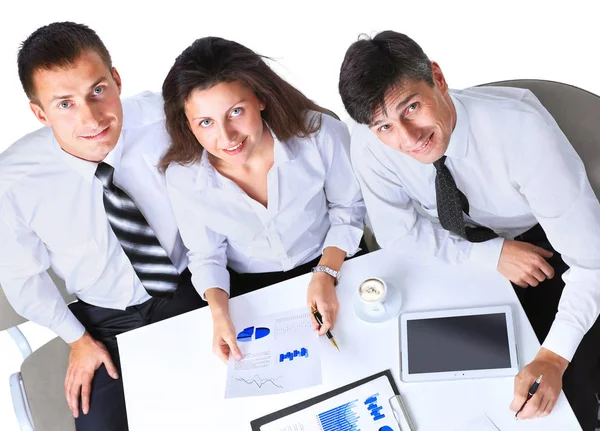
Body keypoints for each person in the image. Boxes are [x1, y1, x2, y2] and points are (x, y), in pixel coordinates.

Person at [338, 30, 600, 430]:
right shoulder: (370, 141)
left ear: (438, 79)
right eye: (385, 126)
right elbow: (397, 234)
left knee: (560, 393)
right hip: (455, 241)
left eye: (411, 107)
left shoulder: (522, 134)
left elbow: (592, 264)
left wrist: (553, 357)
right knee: (430, 380)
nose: (408, 139)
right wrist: (490, 255)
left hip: (544, 241)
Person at [0, 22, 205, 431]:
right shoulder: (13, 180)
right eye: (64, 104)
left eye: (97, 90)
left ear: (116, 79)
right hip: (104, 323)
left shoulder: (166, 117)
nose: (91, 117)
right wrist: (77, 340)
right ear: (39, 113)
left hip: (190, 288)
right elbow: (24, 279)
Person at [160, 36, 366, 363]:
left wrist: (326, 273)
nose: (226, 137)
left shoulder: (321, 134)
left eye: (236, 111)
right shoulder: (182, 177)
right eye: (206, 122)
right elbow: (206, 253)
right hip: (251, 287)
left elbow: (349, 209)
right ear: (188, 124)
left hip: (332, 257)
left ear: (260, 98)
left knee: (362, 355)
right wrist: (219, 312)